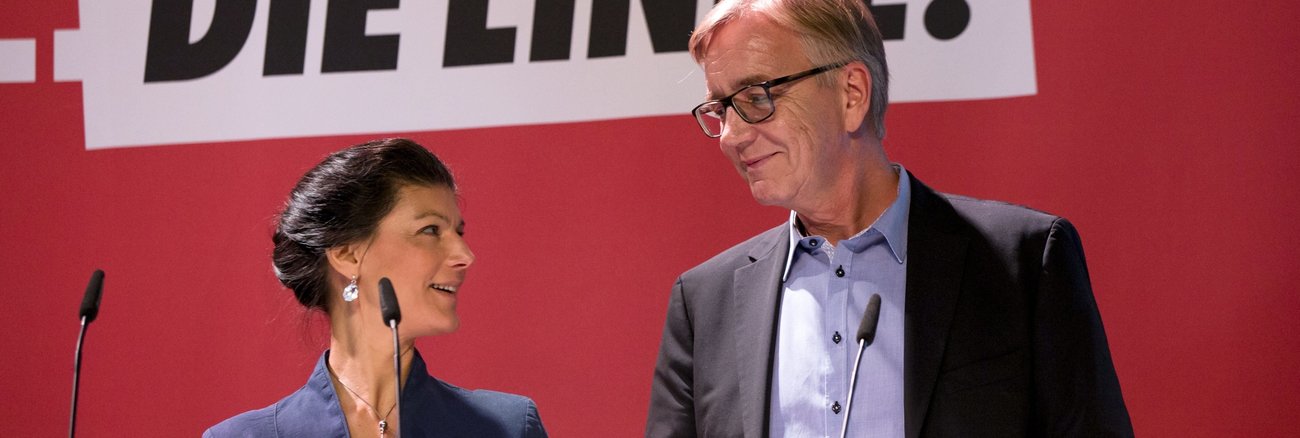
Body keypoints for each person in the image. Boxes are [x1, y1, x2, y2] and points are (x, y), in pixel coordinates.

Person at [645, 1, 1132, 437]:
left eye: (755, 97)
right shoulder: (704, 303)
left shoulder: (1023, 263)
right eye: (720, 108)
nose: (730, 136)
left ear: (852, 93)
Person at [206, 139, 547, 437]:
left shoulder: (509, 427)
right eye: (430, 230)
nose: (465, 255)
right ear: (347, 254)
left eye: (458, 232)